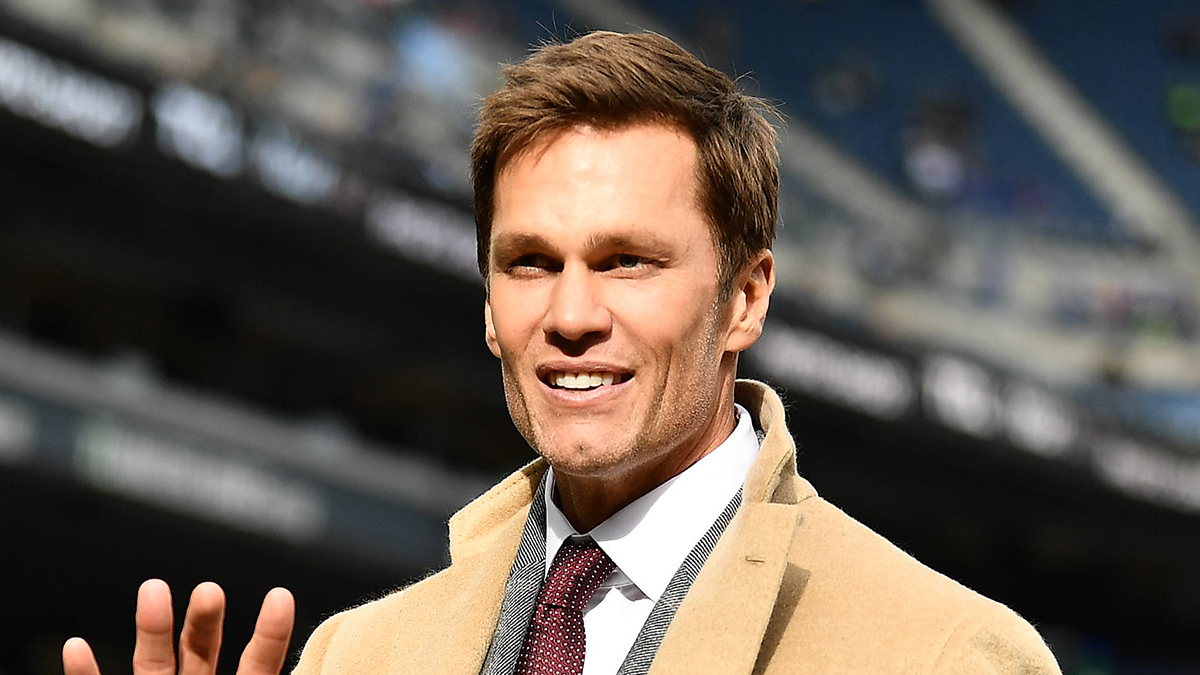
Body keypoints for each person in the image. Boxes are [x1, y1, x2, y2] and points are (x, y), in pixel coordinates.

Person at [63, 30, 1061, 675]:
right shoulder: (354, 655)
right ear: (489, 304)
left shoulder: (946, 654)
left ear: (745, 298)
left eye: (628, 261)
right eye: (531, 263)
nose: (571, 314)